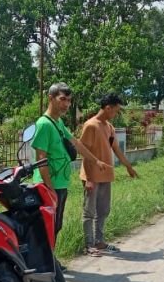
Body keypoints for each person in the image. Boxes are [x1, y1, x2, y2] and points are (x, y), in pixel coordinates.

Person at [31, 82, 110, 244]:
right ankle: (45, 263)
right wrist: (50, 188)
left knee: (56, 224)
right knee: (48, 226)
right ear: (51, 98)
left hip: (60, 183)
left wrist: (95, 161)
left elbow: (76, 143)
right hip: (48, 185)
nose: (66, 104)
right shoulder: (44, 124)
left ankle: (50, 261)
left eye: (68, 100)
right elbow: (41, 159)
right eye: (62, 99)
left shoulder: (58, 123)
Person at [79, 93, 138, 256]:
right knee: (89, 212)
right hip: (92, 177)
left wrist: (128, 167)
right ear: (107, 108)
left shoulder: (109, 127)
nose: (116, 114)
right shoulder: (91, 125)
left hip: (106, 176)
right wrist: (89, 179)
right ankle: (89, 245)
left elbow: (116, 149)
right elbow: (85, 153)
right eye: (116, 110)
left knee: (103, 210)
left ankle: (99, 242)